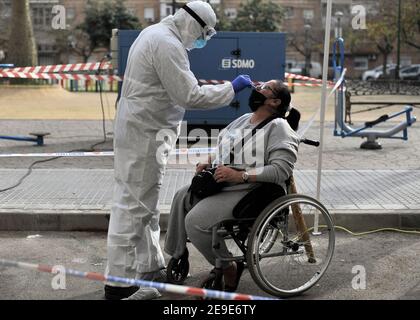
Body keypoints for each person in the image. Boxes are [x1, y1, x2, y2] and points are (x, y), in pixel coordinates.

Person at [104, 1, 253, 300]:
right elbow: (190, 94)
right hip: (144, 133)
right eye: (204, 34)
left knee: (143, 205)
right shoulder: (166, 44)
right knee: (132, 206)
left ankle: (149, 267)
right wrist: (232, 88)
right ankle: (118, 284)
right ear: (193, 23)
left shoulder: (155, 34)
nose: (202, 41)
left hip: (142, 130)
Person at [164, 80, 300, 292]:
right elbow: (222, 146)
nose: (257, 88)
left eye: (265, 87)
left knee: (195, 222)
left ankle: (228, 267)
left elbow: (281, 170)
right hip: (224, 182)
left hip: (251, 190)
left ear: (274, 101)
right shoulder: (244, 120)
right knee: (181, 196)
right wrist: (208, 162)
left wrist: (241, 175)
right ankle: (178, 253)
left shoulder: (279, 127)